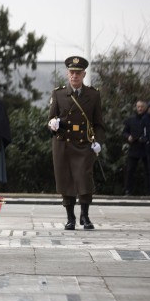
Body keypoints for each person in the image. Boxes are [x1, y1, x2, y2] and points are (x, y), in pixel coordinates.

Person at [48, 56, 105, 230]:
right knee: (66, 180)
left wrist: (99, 142)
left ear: (84, 74)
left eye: (78, 73)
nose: (74, 76)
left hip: (84, 144)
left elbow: (99, 124)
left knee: (85, 179)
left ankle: (85, 216)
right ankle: (70, 217)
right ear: (67, 74)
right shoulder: (58, 93)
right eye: (72, 72)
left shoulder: (93, 95)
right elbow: (50, 119)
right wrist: (53, 124)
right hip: (63, 143)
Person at [121, 99, 150, 196]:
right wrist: (128, 137)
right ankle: (128, 191)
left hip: (146, 148)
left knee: (148, 171)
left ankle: (149, 192)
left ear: (145, 107)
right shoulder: (131, 119)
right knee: (130, 170)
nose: (140, 108)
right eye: (138, 107)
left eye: (142, 107)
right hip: (134, 147)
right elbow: (124, 132)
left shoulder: (149, 119)